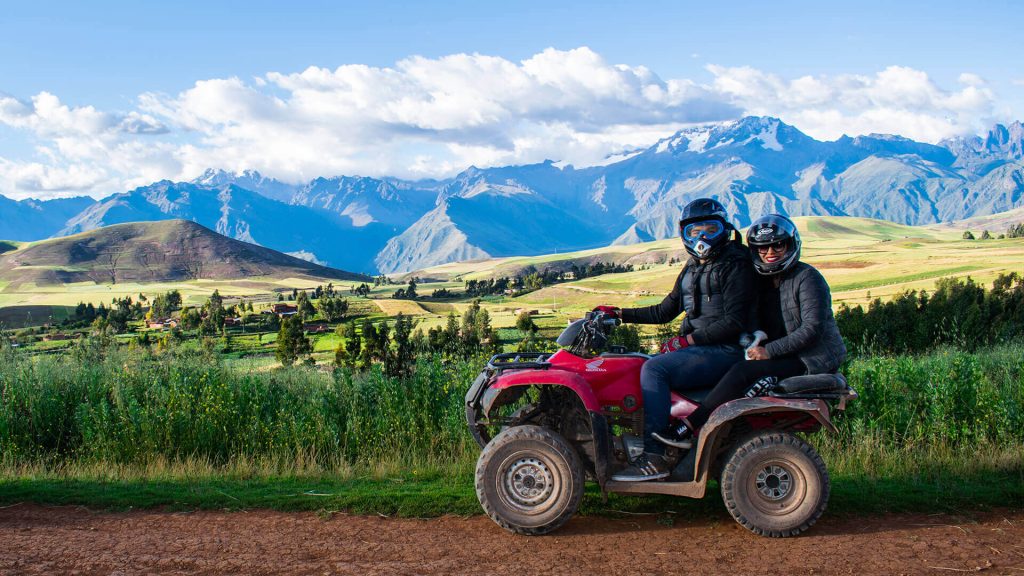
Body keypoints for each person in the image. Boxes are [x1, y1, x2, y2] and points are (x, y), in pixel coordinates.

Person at [655, 214, 847, 451]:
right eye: (762, 247)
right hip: (783, 354)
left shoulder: (807, 278)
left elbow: (812, 329)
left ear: (791, 244)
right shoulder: (763, 282)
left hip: (810, 358)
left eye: (778, 244)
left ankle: (690, 425)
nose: (770, 252)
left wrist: (769, 351)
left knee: (743, 372)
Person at [597, 198, 757, 482]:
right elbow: (665, 310)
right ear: (684, 234)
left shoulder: (736, 264)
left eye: (710, 229)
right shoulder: (692, 268)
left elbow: (734, 322)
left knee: (654, 369)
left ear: (725, 229)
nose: (702, 237)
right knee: (637, 362)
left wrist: (687, 341)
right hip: (703, 348)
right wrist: (619, 313)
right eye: (694, 231)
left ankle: (654, 456)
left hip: (726, 350)